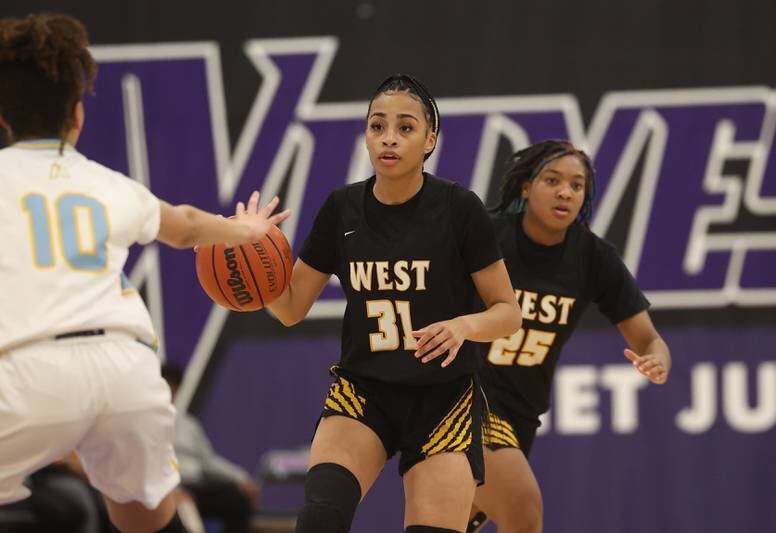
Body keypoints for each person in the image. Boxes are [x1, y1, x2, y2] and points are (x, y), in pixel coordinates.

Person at [0, 13, 289, 533]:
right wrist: (246, 233)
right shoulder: (107, 182)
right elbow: (186, 226)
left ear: (3, 116)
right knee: (147, 520)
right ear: (78, 115)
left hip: (28, 368)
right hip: (126, 368)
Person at [264, 74, 521, 533]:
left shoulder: (459, 208)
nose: (389, 138)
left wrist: (462, 327)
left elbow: (508, 312)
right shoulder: (343, 209)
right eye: (377, 125)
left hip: (444, 399)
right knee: (320, 518)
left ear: (429, 140)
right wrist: (251, 263)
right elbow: (289, 308)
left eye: (405, 128)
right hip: (365, 392)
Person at [466, 139, 672, 533]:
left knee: (453, 521)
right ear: (526, 187)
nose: (565, 192)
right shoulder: (487, 235)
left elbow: (649, 339)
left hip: (520, 416)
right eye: (553, 180)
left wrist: (657, 359)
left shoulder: (593, 258)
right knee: (523, 509)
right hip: (462, 397)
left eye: (577, 186)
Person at [162, 363, 259, 533]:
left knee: (237, 500)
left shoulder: (189, 425)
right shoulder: (146, 425)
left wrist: (241, 478)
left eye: (174, 388)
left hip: (198, 486)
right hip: (169, 488)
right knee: (183, 513)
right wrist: (174, 490)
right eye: (166, 387)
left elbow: (209, 461)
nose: (170, 393)